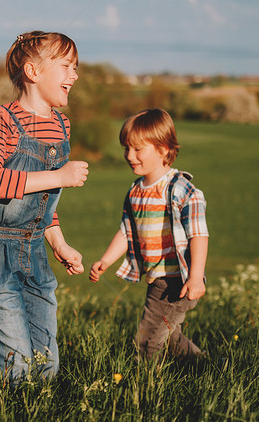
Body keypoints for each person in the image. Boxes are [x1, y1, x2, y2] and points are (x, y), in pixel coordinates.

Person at [0, 31, 89, 383]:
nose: (74, 75)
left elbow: (42, 202)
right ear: (32, 72)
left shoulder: (61, 126)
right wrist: (59, 175)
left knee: (46, 368)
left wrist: (58, 242)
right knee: (15, 370)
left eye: (75, 67)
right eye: (66, 66)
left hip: (33, 252)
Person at [89, 108, 209, 361]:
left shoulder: (180, 189)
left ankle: (147, 390)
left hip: (179, 280)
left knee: (147, 340)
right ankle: (204, 366)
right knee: (169, 336)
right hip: (157, 280)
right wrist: (106, 260)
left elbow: (198, 234)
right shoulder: (136, 190)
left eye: (137, 149)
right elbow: (127, 230)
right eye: (126, 149)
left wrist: (196, 276)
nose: (129, 156)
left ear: (164, 148)